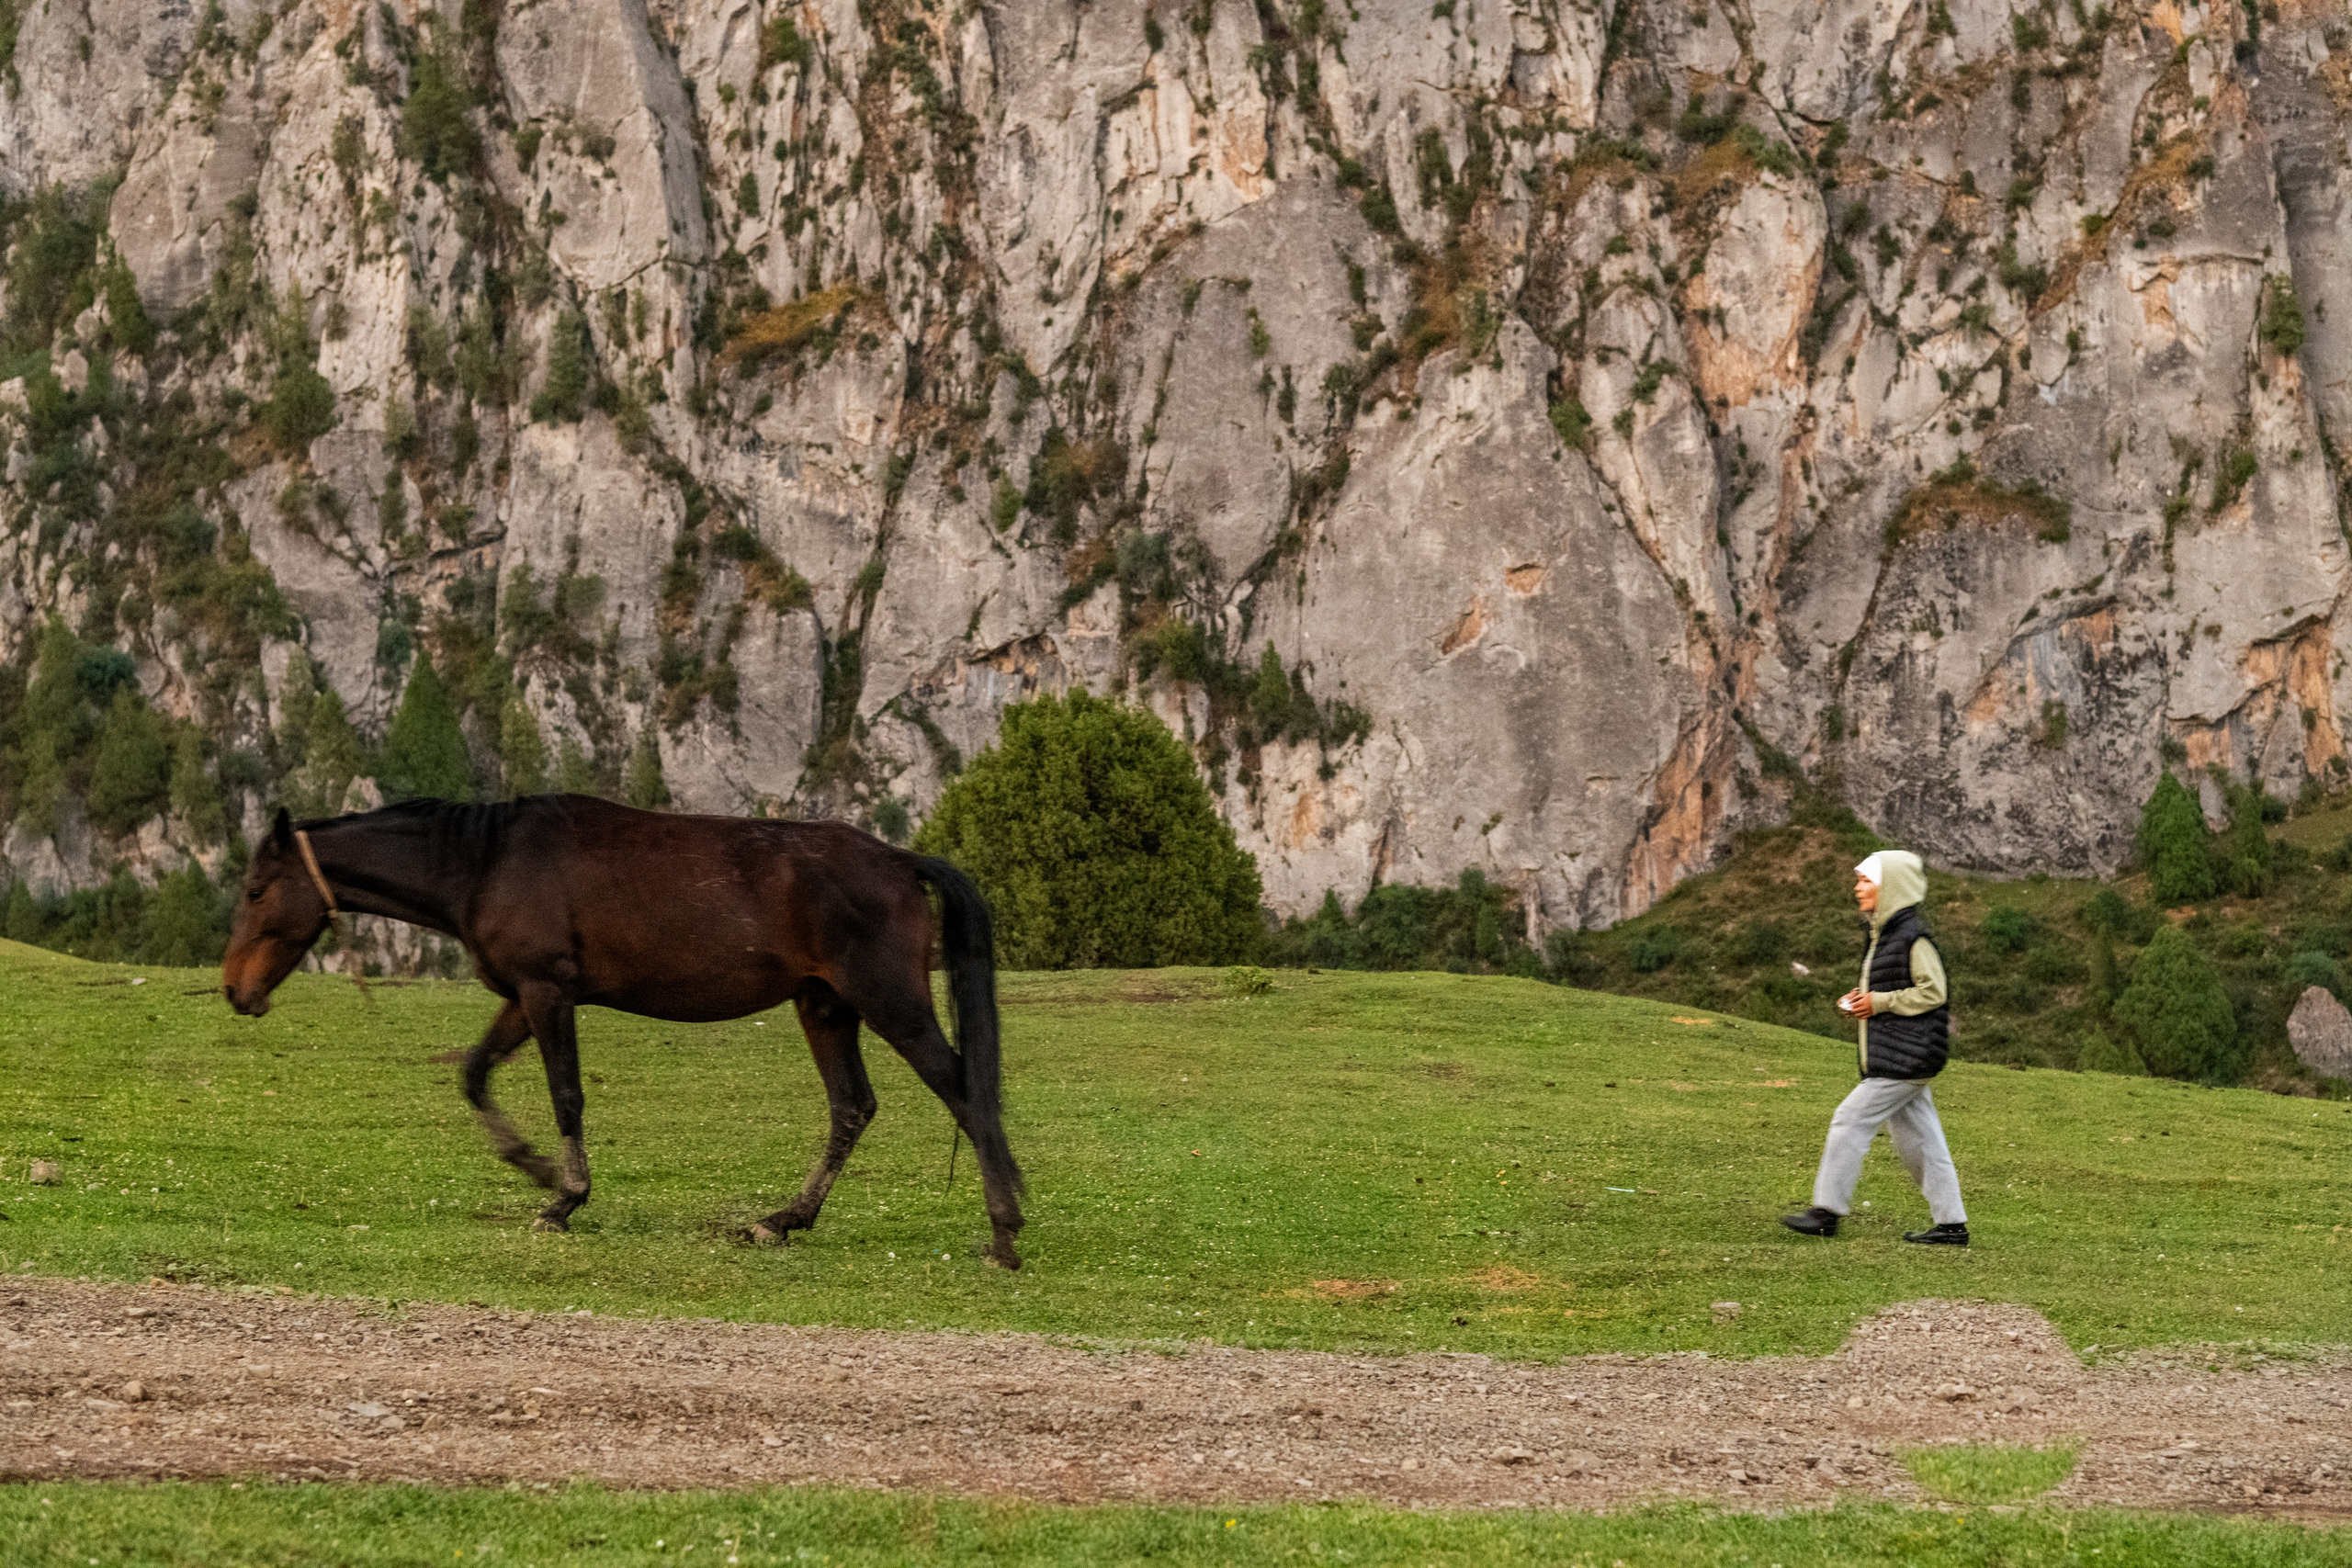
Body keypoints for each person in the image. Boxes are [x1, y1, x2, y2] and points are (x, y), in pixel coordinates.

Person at [1781, 850, 1969, 1245]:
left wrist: (1879, 1002)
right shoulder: (1886, 934)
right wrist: (1864, 999)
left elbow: (1934, 992)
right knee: (1921, 1140)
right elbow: (1898, 987)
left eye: (1866, 881)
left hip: (1907, 1057)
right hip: (1903, 1054)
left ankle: (1825, 1213)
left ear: (1890, 887)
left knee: (1850, 1119)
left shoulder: (1912, 936)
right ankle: (1952, 1226)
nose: (1857, 888)